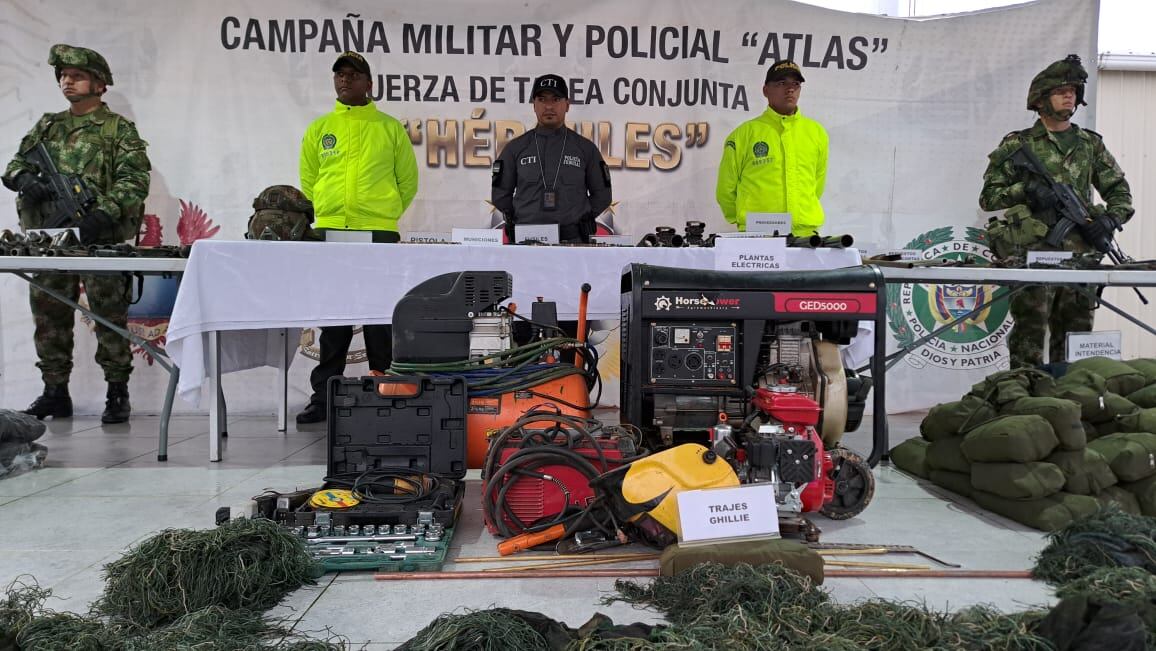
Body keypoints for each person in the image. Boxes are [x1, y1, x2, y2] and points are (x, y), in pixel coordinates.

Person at [2, 44, 151, 424]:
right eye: (63, 76)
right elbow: (15, 164)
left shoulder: (118, 129)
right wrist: (25, 180)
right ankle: (55, 392)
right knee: (48, 314)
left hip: (99, 240)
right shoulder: (48, 126)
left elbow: (134, 181)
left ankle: (117, 391)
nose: (67, 81)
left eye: (77, 76)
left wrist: (101, 215)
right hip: (51, 241)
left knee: (109, 316)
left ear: (100, 84)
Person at [980, 55, 1133, 369]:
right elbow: (989, 198)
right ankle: (1024, 395)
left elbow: (1121, 194)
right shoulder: (1018, 145)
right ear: (1040, 99)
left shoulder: (1089, 145)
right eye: (1061, 91)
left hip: (1081, 259)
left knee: (1076, 347)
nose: (1069, 96)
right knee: (1029, 340)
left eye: (1073, 91)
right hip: (1033, 258)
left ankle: (1071, 396)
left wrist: (1109, 220)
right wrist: (1026, 190)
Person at [296, 51, 419, 424]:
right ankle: (324, 396)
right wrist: (330, 212)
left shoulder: (389, 128)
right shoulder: (320, 128)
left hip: (377, 231)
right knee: (334, 317)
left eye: (353, 75)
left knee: (381, 316)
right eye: (339, 75)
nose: (345, 80)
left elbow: (407, 182)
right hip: (331, 230)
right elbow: (309, 179)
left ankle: (386, 390)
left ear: (369, 83)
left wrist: (381, 214)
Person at [491, 74, 612, 244]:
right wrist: (523, 216)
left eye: (556, 99)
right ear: (534, 105)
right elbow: (500, 194)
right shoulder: (515, 148)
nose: (548, 106)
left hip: (573, 242)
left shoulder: (585, 149)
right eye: (542, 99)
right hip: (525, 242)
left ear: (567, 105)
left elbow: (602, 195)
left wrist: (580, 218)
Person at [716, 60, 829, 237]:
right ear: (765, 90)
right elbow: (726, 188)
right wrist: (740, 218)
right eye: (781, 83)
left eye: (796, 84)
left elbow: (817, 184)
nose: (790, 89)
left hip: (805, 236)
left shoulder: (816, 133)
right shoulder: (744, 134)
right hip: (758, 235)